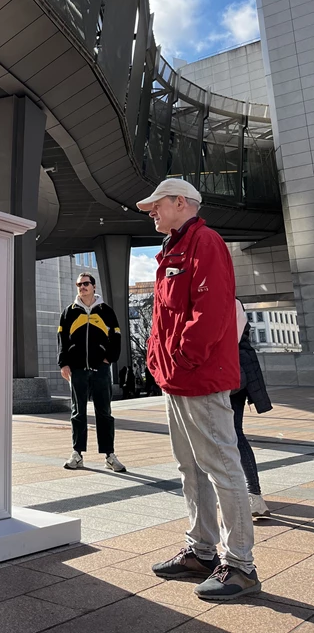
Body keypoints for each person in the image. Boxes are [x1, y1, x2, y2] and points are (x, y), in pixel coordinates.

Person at [137, 178, 260, 601]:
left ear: (180, 202)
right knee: (190, 469)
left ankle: (241, 565)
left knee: (223, 468)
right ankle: (202, 551)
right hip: (177, 378)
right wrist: (161, 361)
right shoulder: (174, 247)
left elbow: (211, 310)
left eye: (156, 204)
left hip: (199, 377)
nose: (151, 211)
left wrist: (183, 357)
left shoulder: (205, 242)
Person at [57, 273, 126, 472]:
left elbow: (116, 336)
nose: (82, 287)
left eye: (86, 284)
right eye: (79, 284)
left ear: (94, 286)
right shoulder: (68, 312)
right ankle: (77, 454)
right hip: (77, 369)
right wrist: (64, 363)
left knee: (104, 413)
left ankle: (109, 455)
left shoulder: (106, 311)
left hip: (101, 369)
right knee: (77, 412)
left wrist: (108, 359)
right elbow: (62, 340)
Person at [233, 299, 272, 518]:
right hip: (232, 375)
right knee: (231, 435)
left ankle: (254, 495)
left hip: (232, 376)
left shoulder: (232, 303)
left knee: (234, 435)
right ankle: (248, 494)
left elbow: (229, 339)